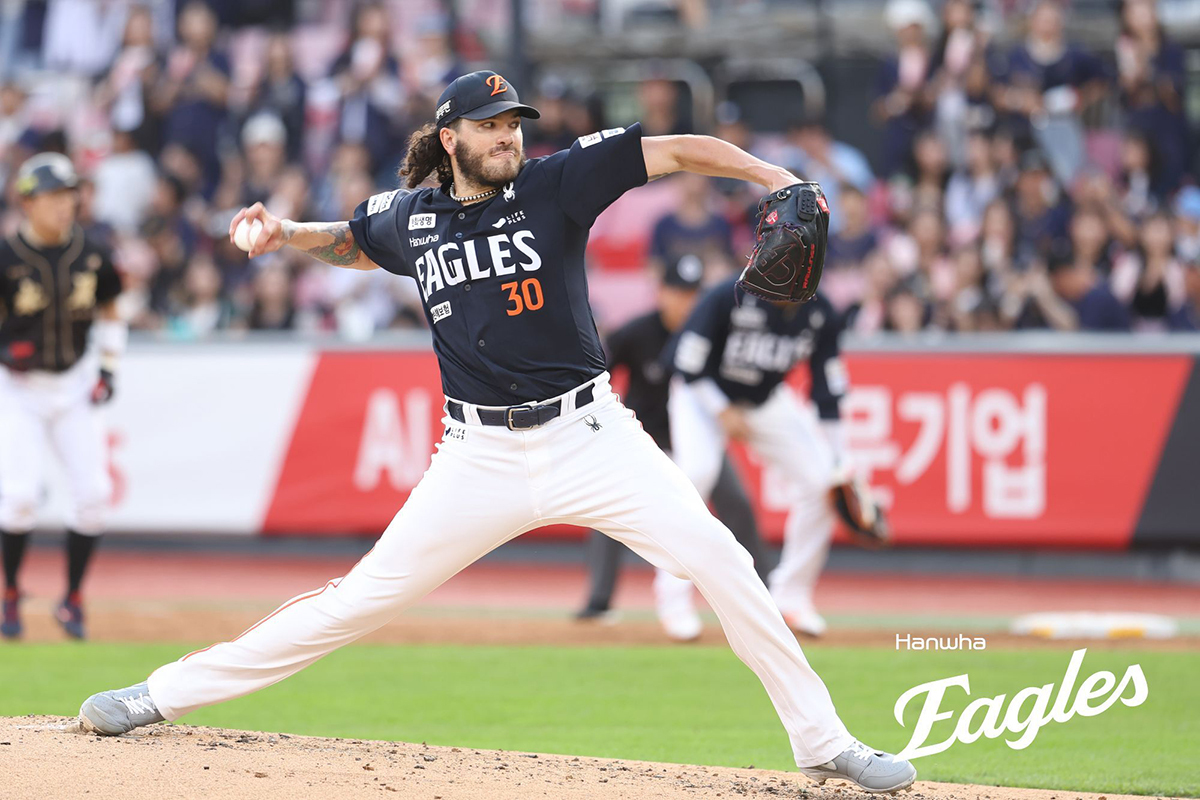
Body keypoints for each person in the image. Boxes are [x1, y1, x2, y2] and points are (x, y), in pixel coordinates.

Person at [78, 70, 916, 794]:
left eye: (513, 122)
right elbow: (357, 243)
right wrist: (286, 234)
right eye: (489, 125)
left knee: (722, 560)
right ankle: (161, 694)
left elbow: (679, 150)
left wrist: (774, 176)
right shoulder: (413, 216)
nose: (508, 135)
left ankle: (823, 740)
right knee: (355, 602)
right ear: (451, 139)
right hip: (476, 456)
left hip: (591, 435)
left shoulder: (556, 184)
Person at [575, 254, 768, 641]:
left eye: (693, 294)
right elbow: (595, 373)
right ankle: (599, 600)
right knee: (609, 512)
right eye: (679, 292)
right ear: (661, 292)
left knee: (737, 502)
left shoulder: (713, 334)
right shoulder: (637, 332)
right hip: (647, 446)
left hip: (697, 446)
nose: (686, 302)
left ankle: (768, 591)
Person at [667, 276, 869, 636]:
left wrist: (841, 460)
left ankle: (790, 596)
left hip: (765, 401)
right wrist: (720, 409)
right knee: (696, 475)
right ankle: (673, 600)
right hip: (702, 396)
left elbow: (828, 389)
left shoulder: (819, 311)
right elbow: (686, 362)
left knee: (822, 481)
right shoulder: (730, 294)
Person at [0, 153, 126, 640]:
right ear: (27, 201)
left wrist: (108, 367)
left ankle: (72, 597)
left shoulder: (91, 251)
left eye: (70, 194)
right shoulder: (7, 256)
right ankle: (11, 591)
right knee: (19, 497)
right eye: (54, 195)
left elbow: (111, 308)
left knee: (94, 496)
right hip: (19, 388)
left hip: (73, 384)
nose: (64, 204)